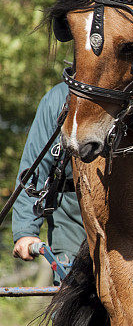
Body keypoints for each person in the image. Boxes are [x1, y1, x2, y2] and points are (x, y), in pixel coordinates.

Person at [12, 82, 85, 283]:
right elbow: (34, 170)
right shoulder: (59, 98)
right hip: (72, 216)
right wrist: (26, 230)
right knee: (74, 301)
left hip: (128, 221)